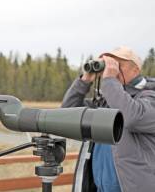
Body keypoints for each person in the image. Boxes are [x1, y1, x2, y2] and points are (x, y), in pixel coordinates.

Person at [62, 46, 155, 192]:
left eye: (118, 65)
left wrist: (110, 80)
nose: (112, 69)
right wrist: (85, 80)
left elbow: (131, 117)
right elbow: (67, 115)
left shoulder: (149, 97)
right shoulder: (105, 102)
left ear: (135, 70)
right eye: (109, 65)